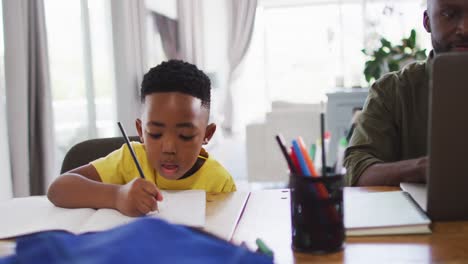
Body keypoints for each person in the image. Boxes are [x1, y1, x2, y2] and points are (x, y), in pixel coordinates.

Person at [48, 60, 236, 216]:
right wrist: (117, 196)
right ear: (140, 130)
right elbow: (58, 189)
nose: (169, 148)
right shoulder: (130, 159)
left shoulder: (219, 182)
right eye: (155, 134)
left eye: (185, 136)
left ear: (207, 135)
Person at [344, 0, 468, 186]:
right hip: (418, 215)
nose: (465, 29)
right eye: (449, 14)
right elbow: (357, 170)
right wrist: (423, 168)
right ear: (427, 21)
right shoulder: (392, 91)